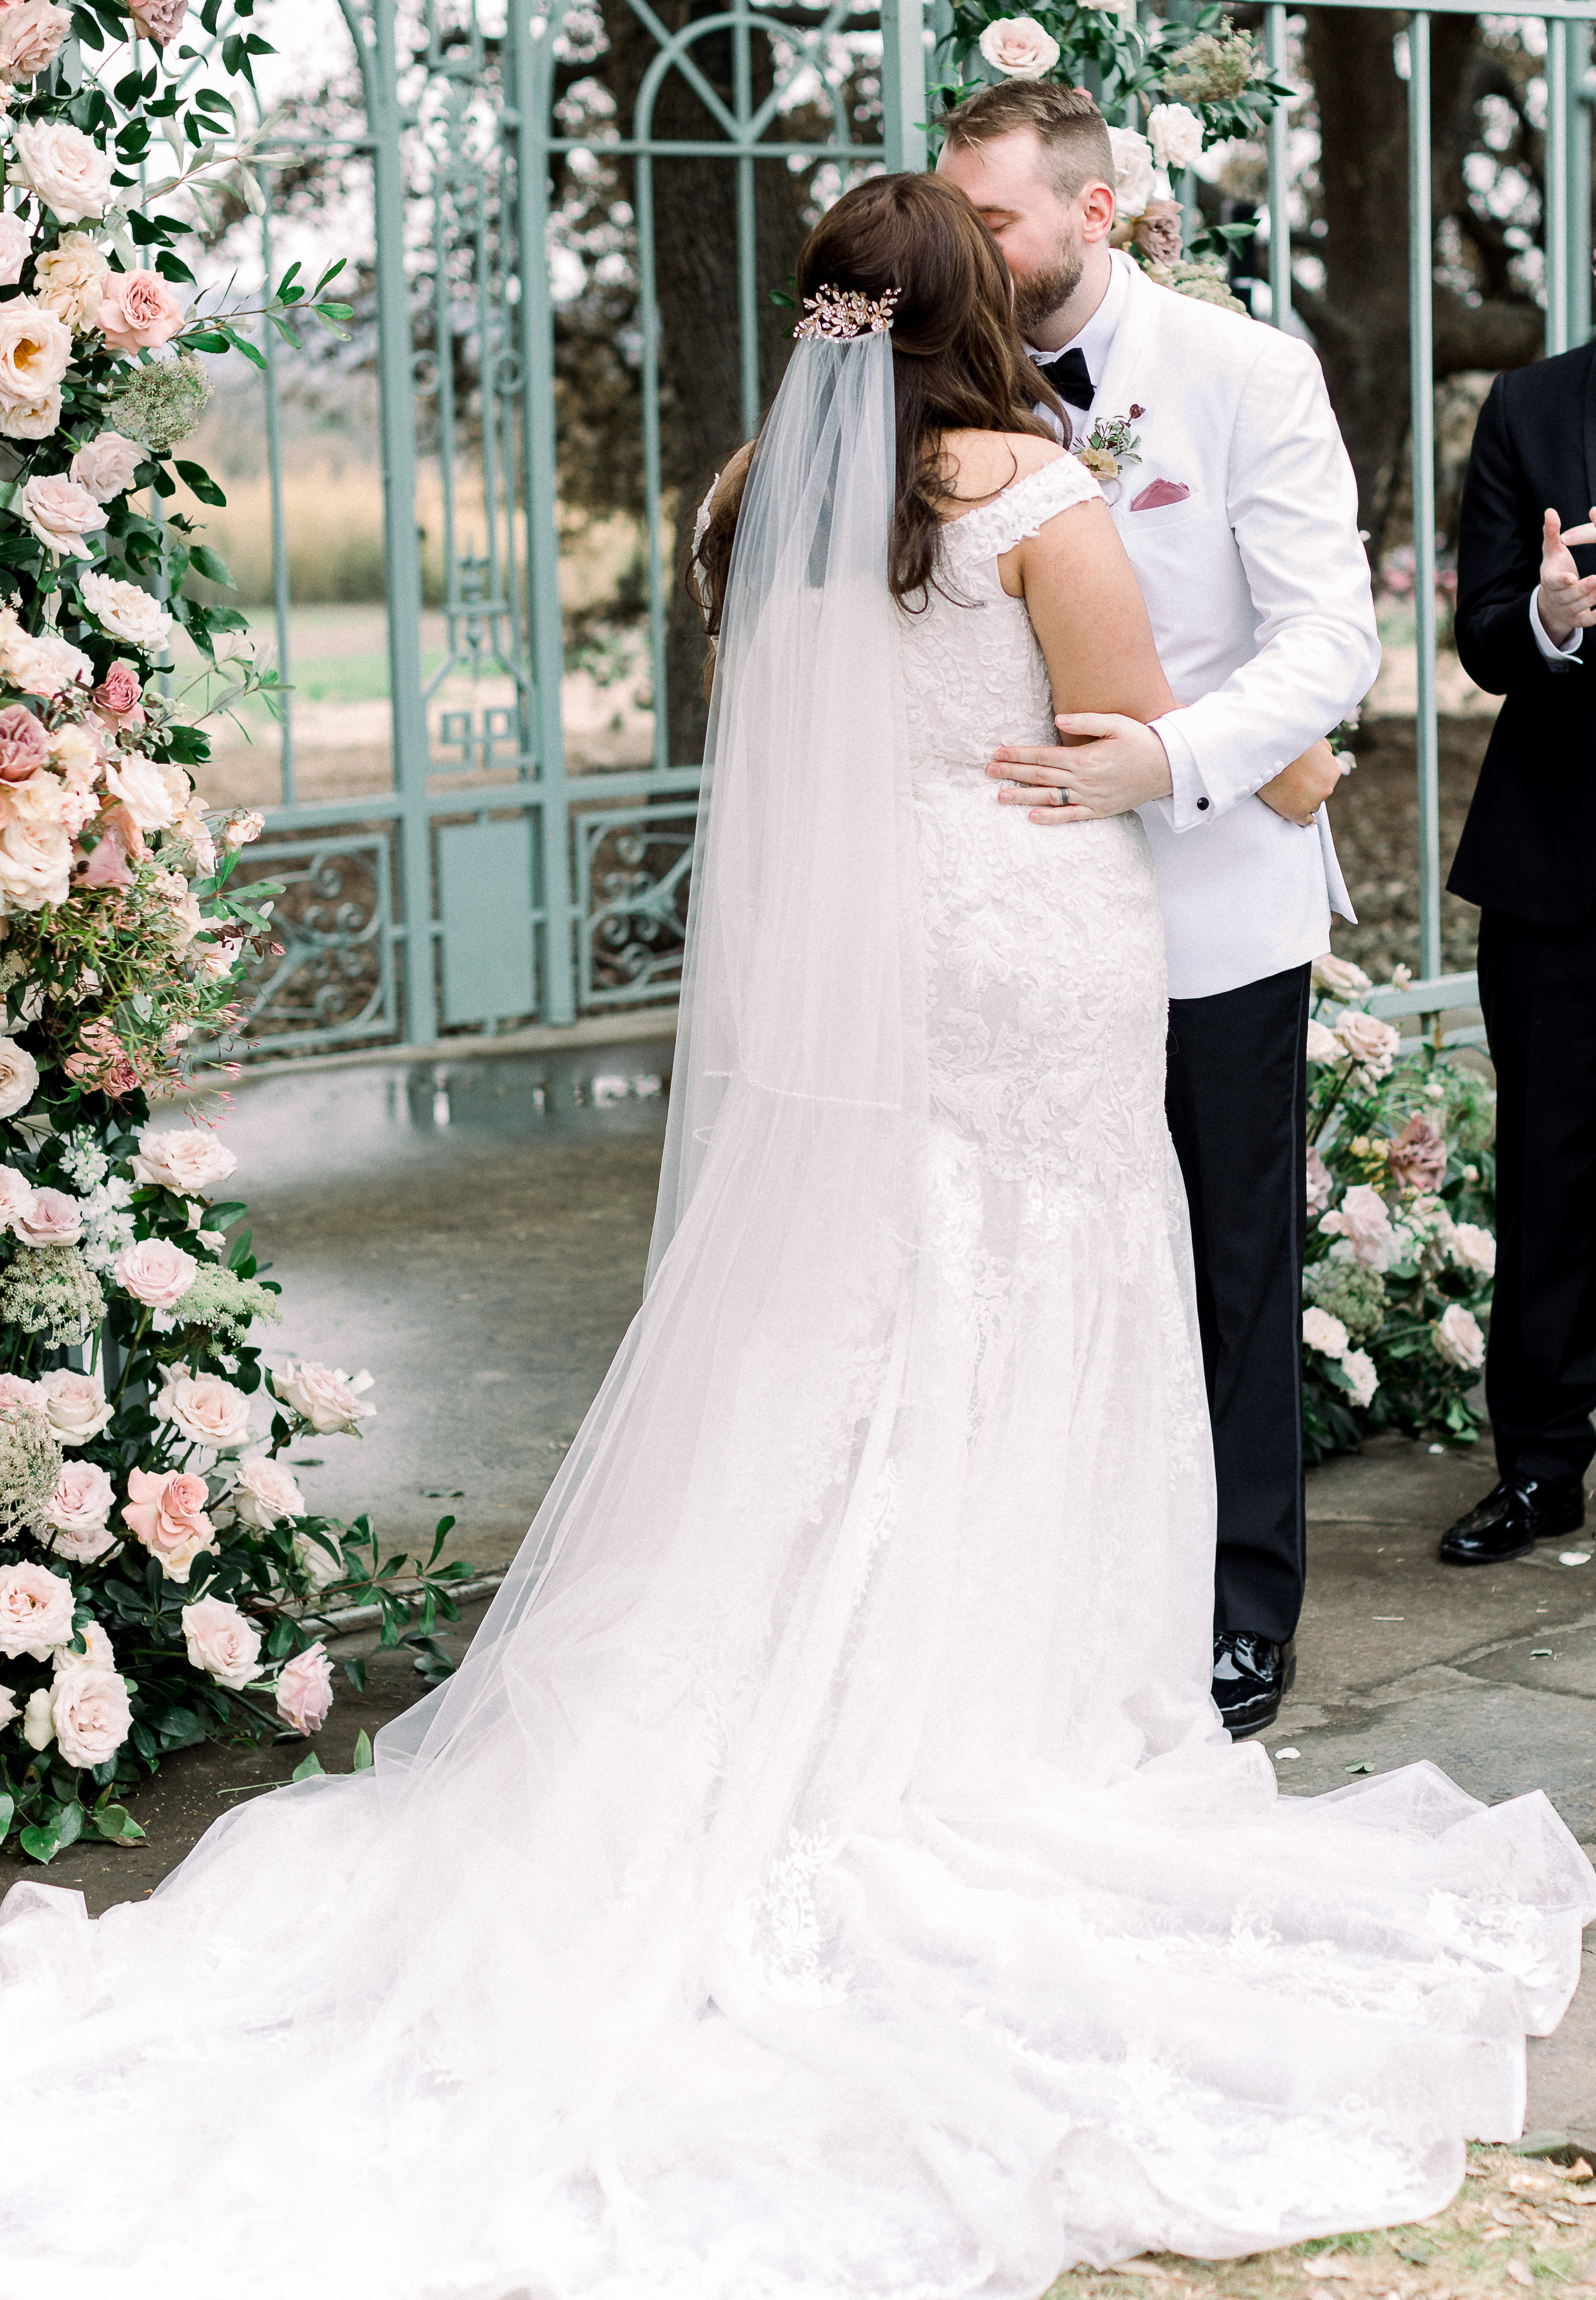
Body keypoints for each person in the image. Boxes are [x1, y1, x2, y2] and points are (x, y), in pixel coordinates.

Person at [0, 175, 1588, 2300]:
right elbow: (1116, 743)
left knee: (869, 1302)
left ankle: (836, 1645)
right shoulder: (1034, 487)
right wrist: (1285, 768)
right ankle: (1009, 1696)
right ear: (970, 306)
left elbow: (797, 733)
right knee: (1045, 1297)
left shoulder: (757, 494)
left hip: (867, 966)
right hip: (1029, 943)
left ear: (826, 319)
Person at [937, 83, 1380, 1737]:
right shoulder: (945, 386)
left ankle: (1242, 1606)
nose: (972, 250)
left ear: (1094, 214)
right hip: (1014, 924)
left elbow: (1331, 641)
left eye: (994, 221)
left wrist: (1173, 761)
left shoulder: (1245, 373)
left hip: (1210, 905)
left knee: (1228, 1267)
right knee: (1039, 1260)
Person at [1442, 351, 1596, 1564]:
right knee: (1550, 1168)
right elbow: (1482, 635)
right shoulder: (1530, 408)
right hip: (1562, 864)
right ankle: (1541, 1466)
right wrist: (1546, 618)